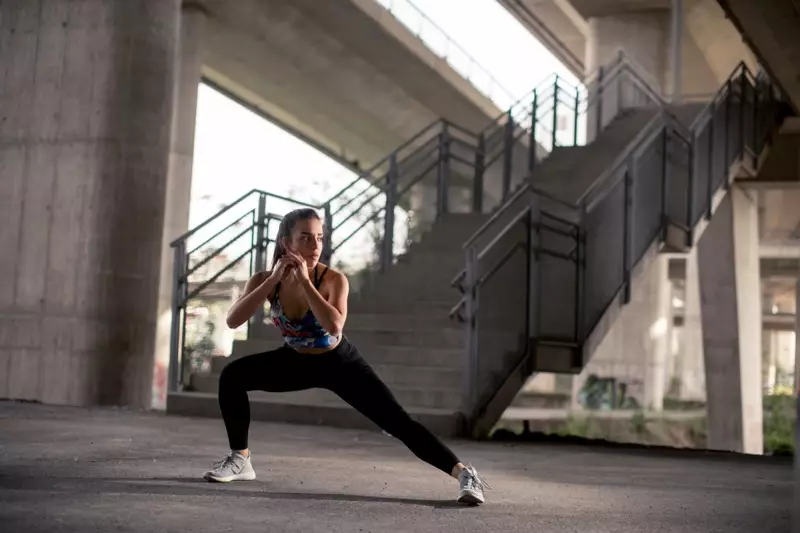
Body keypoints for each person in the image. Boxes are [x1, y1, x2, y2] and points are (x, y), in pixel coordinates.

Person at [202, 207, 491, 505]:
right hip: (295, 360)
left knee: (397, 422)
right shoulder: (265, 280)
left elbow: (334, 324)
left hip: (339, 362)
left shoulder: (333, 280)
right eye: (306, 238)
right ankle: (241, 459)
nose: (315, 247)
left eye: (319, 238)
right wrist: (272, 280)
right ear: (286, 242)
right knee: (232, 376)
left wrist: (303, 281)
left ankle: (465, 474)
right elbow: (233, 321)